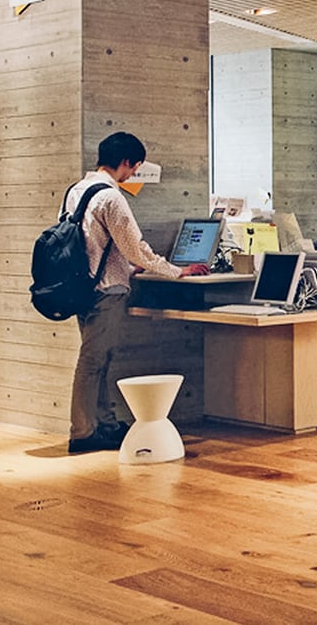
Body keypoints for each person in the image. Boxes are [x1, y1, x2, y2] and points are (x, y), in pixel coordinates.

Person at [63, 132, 208, 453]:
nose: (133, 176)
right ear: (126, 162)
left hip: (82, 288)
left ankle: (103, 423)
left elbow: (90, 245)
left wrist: (130, 270)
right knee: (93, 361)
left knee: (98, 359)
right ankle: (83, 431)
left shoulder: (76, 191)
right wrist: (176, 270)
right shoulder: (112, 197)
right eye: (135, 168)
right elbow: (135, 247)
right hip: (107, 291)